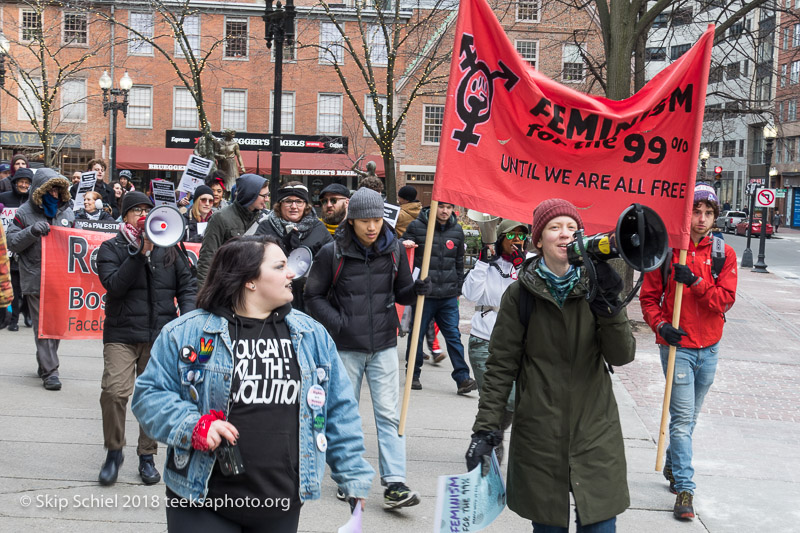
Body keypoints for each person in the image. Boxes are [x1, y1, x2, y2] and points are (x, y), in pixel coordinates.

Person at [131, 234, 374, 532]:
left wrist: (353, 475)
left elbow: (338, 410)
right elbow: (148, 396)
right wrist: (194, 426)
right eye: (279, 266)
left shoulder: (312, 336)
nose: (291, 273)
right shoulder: (185, 333)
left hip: (279, 505)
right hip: (202, 500)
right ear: (249, 280)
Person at [467, 198, 635, 532]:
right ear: (539, 240)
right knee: (548, 525)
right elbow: (501, 366)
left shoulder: (595, 289)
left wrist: (609, 305)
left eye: (572, 228)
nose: (565, 235)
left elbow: (621, 355)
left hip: (595, 431)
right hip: (540, 435)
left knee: (600, 523)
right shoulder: (519, 295)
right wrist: (486, 429)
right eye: (554, 227)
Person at [305, 188, 430, 510]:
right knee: (345, 415)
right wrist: (340, 323)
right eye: (365, 221)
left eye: (376, 220)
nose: (372, 227)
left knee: (390, 415)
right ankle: (347, 476)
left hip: (384, 345)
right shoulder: (331, 252)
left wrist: (416, 289)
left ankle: (395, 482)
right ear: (353, 221)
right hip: (345, 348)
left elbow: (401, 293)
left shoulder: (395, 250)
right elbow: (313, 296)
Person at [640, 184, 737, 521]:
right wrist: (661, 326)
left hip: (709, 348)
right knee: (681, 422)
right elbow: (649, 299)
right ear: (687, 211)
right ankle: (685, 488)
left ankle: (671, 464)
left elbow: (724, 300)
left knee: (689, 419)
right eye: (696, 211)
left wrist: (695, 281)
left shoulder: (724, 252)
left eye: (708, 213)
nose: (701, 218)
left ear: (715, 216)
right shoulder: (666, 250)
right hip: (678, 347)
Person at [96, 191, 196, 487]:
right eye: (135, 210)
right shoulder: (111, 248)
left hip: (159, 335)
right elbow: (114, 286)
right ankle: (114, 452)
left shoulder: (171, 250)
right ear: (124, 216)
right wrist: (139, 253)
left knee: (151, 398)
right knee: (114, 392)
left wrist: (186, 320)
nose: (142, 215)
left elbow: (187, 287)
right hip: (122, 334)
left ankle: (147, 455)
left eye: (146, 210)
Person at [461, 219, 527, 465]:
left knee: (511, 400)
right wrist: (482, 263)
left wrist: (523, 268)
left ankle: (490, 437)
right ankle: (489, 442)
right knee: (490, 398)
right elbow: (470, 294)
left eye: (521, 236)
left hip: (515, 342)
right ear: (501, 239)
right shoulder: (487, 264)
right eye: (512, 236)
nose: (517, 241)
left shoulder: (527, 264)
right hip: (484, 340)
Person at [7, 169, 75, 391]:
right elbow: (11, 242)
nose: (54, 194)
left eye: (58, 190)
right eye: (50, 189)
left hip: (61, 278)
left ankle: (45, 361)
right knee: (42, 326)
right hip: (35, 277)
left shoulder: (67, 213)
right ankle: (51, 371)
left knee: (55, 326)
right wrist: (31, 232)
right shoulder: (23, 213)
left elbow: (77, 243)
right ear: (40, 190)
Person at [402, 202, 477, 394]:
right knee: (416, 335)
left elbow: (459, 262)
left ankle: (463, 379)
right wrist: (403, 245)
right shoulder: (417, 227)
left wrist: (457, 288)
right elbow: (402, 253)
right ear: (434, 206)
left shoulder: (457, 230)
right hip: (424, 295)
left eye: (449, 207)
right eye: (441, 206)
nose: (444, 211)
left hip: (448, 296)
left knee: (453, 336)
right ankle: (413, 374)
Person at [256, 183, 332, 312]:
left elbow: (333, 261)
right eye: (288, 201)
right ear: (280, 204)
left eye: (299, 201)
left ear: (306, 205)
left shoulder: (318, 228)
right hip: (274, 300)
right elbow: (254, 259)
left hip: (309, 300)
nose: (294, 206)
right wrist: (283, 246)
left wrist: (315, 259)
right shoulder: (266, 227)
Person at [196, 173, 269, 286]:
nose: (267, 199)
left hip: (255, 288)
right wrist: (203, 295)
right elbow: (207, 258)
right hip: (227, 287)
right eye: (264, 196)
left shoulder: (265, 219)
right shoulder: (220, 218)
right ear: (251, 195)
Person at [0, 168, 32, 332]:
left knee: (27, 286)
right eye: (21, 182)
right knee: (14, 285)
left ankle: (27, 312)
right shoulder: (4, 198)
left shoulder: (33, 201)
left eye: (27, 183)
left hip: (26, 249)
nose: (24, 185)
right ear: (15, 183)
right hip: (8, 248)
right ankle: (13, 319)